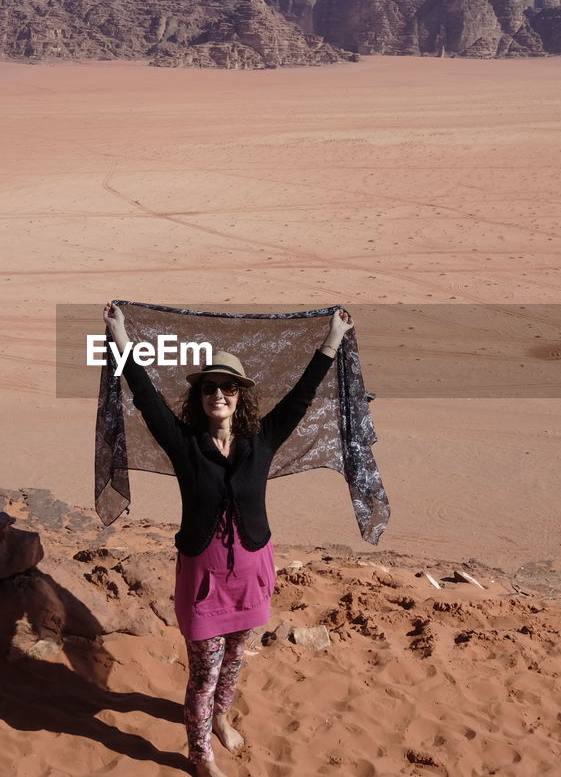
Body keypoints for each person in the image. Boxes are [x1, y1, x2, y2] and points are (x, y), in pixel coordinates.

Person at [103, 303, 353, 777]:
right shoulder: (184, 445)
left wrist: (333, 340)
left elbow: (301, 397)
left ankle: (220, 716)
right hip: (203, 579)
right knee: (203, 674)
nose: (218, 394)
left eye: (228, 387)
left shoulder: (262, 441)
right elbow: (146, 398)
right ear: (199, 396)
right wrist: (119, 335)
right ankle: (200, 756)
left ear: (241, 397)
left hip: (252, 575)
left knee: (235, 662)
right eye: (209, 387)